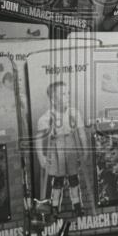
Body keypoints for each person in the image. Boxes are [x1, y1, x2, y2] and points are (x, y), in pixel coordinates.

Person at [35, 82, 87, 217]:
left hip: (70, 147)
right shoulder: (46, 118)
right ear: (53, 99)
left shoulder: (74, 113)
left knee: (74, 178)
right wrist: (41, 157)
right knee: (58, 181)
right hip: (56, 147)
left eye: (68, 93)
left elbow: (81, 133)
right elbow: (38, 139)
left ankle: (77, 206)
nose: (67, 97)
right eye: (63, 94)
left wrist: (85, 150)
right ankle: (54, 208)